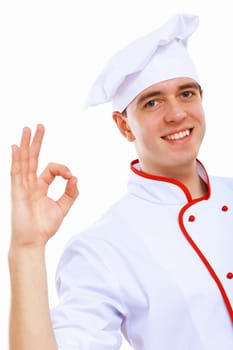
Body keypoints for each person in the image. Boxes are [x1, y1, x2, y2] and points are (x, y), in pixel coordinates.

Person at [8, 13, 233, 350]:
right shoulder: (104, 247)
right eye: (152, 102)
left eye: (186, 94)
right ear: (124, 126)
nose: (176, 114)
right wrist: (26, 248)